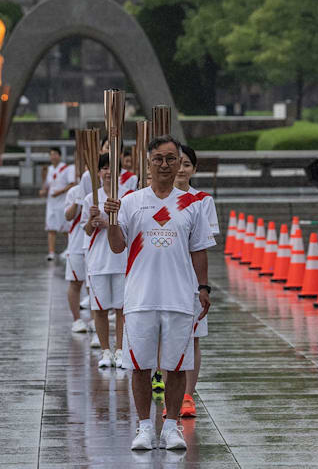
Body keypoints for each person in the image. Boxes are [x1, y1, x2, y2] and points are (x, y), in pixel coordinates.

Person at [104, 136, 214, 451]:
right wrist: (112, 219)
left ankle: (171, 426)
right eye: (158, 159)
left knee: (177, 365)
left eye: (170, 159)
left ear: (180, 163)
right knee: (139, 365)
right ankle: (143, 428)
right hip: (140, 296)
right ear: (148, 163)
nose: (164, 165)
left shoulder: (193, 203)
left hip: (180, 295)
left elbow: (199, 251)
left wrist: (203, 287)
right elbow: (117, 245)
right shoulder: (130, 201)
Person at [173, 144, 219, 418]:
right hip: (165, 278)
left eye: (186, 164)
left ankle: (188, 395)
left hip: (190, 280)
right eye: (176, 162)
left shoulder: (202, 200)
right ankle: (170, 391)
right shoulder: (154, 198)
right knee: (167, 339)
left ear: (194, 168)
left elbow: (203, 242)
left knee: (193, 338)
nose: (180, 169)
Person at [83, 153, 128, 369]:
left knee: (121, 308)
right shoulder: (91, 198)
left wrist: (110, 222)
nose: (109, 172)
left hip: (121, 260)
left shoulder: (127, 197)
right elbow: (86, 230)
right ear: (99, 172)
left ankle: (120, 350)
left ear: (119, 171)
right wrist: (93, 220)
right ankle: (105, 352)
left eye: (112, 168)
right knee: (99, 308)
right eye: (104, 168)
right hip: (98, 261)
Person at [63, 173, 90, 335]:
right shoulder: (74, 192)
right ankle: (77, 320)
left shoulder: (103, 191)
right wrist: (78, 201)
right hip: (76, 245)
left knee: (93, 286)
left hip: (95, 245)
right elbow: (68, 216)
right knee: (75, 282)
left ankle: (95, 320)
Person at [40, 147, 74, 261]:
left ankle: (71, 248)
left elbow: (72, 183)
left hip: (63, 202)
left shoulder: (67, 168)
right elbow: (47, 185)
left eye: (55, 154)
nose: (53, 157)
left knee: (65, 229)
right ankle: (51, 253)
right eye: (51, 155)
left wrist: (60, 192)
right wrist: (43, 191)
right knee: (51, 228)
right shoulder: (49, 169)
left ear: (59, 156)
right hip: (51, 203)